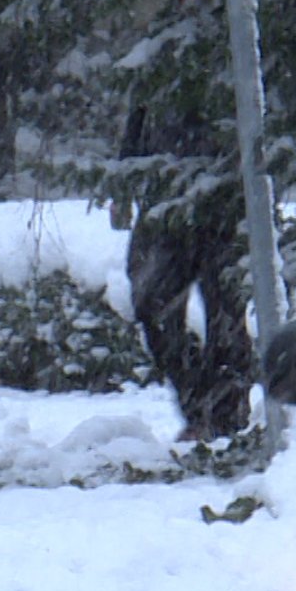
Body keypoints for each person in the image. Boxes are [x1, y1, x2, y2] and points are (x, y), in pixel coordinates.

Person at [112, 91, 252, 443]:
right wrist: (124, 178)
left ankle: (224, 419)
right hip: (165, 198)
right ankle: (198, 401)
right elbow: (142, 105)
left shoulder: (235, 47)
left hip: (227, 195)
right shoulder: (163, 50)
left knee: (226, 314)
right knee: (151, 302)